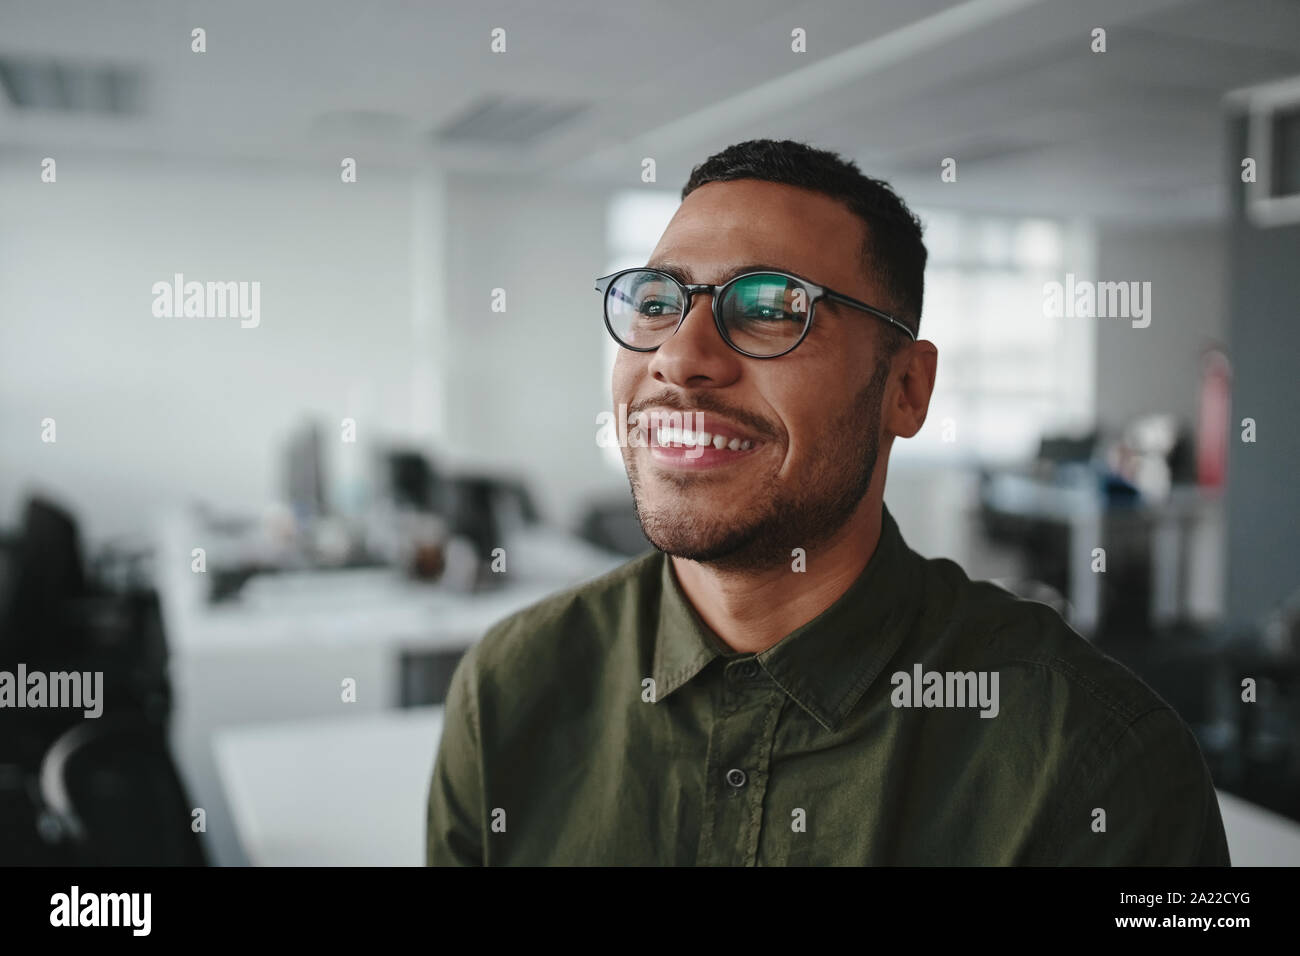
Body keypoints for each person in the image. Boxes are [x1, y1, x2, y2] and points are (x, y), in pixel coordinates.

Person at [426, 139, 1230, 866]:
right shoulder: (509, 689)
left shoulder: (1097, 762)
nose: (679, 356)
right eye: (658, 301)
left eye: (772, 307)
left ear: (906, 389)